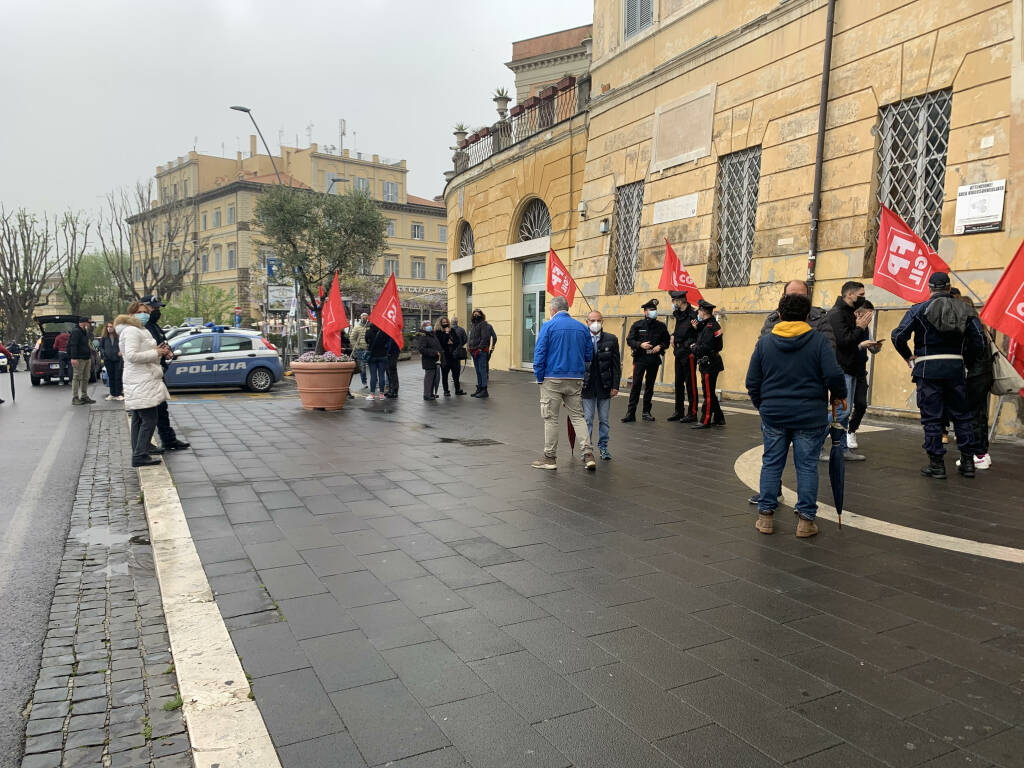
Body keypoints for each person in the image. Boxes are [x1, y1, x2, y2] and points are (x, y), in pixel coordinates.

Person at [747, 293, 847, 538]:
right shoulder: (818, 341)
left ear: (779, 315)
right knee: (807, 466)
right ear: (806, 316)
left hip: (774, 414)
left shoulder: (765, 342)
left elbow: (752, 381)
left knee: (771, 464)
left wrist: (763, 405)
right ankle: (805, 521)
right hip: (809, 415)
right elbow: (834, 375)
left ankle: (766, 518)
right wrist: (838, 394)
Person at [891, 272, 986, 479]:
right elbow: (980, 339)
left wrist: (909, 357)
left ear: (930, 287)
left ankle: (937, 464)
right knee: (962, 416)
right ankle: (968, 462)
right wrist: (965, 360)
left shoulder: (918, 309)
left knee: (932, 419)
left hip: (927, 369)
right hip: (955, 369)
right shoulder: (966, 310)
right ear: (949, 287)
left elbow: (898, 335)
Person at [531, 296, 595, 471]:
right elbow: (589, 356)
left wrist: (539, 377)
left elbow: (540, 354)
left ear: (553, 310)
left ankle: (549, 458)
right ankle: (588, 454)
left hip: (552, 378)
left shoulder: (548, 326)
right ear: (567, 308)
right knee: (578, 416)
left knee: (551, 419)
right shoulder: (582, 328)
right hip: (575, 379)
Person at [115, 303, 173, 468]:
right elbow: (132, 355)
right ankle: (140, 454)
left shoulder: (140, 329)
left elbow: (141, 350)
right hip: (140, 379)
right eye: (139, 312)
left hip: (142, 377)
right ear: (131, 313)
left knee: (139, 418)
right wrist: (156, 352)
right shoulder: (132, 330)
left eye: (146, 312)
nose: (144, 315)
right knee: (149, 418)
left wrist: (159, 350)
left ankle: (141, 449)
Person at [138, 296, 190, 452]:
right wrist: (158, 352)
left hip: (158, 371)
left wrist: (167, 351)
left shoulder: (153, 326)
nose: (156, 311)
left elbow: (162, 343)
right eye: (154, 308)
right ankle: (144, 445)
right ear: (144, 308)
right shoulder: (142, 327)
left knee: (161, 409)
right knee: (148, 413)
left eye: (158, 309)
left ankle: (168, 439)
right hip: (147, 374)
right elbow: (138, 352)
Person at [825, 281, 869, 460]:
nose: (863, 298)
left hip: (853, 368)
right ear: (849, 295)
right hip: (842, 369)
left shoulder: (852, 313)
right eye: (860, 295)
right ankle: (814, 439)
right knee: (841, 411)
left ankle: (842, 449)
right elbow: (844, 341)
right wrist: (860, 328)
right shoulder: (836, 314)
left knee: (844, 414)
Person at [956, 294, 994, 471]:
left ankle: (977, 454)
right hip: (984, 375)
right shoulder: (981, 326)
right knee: (980, 414)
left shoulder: (969, 327)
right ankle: (982, 453)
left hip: (975, 376)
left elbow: (971, 352)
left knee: (973, 415)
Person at [581, 310, 621, 460]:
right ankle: (587, 450)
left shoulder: (611, 339)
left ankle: (603, 447)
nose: (595, 323)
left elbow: (616, 365)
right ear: (587, 322)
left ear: (602, 321)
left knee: (604, 419)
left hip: (605, 386)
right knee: (588, 419)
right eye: (592, 320)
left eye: (598, 320)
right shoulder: (582, 339)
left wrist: (615, 385)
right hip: (587, 386)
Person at [622, 298, 670, 422]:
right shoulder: (637, 325)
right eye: (651, 310)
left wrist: (660, 346)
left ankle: (646, 412)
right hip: (640, 358)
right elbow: (629, 340)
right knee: (636, 385)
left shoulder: (661, 326)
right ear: (645, 312)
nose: (654, 311)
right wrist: (640, 345)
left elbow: (667, 341)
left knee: (650, 386)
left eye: (655, 309)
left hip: (653, 359)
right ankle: (630, 413)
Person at [846, 300, 884, 449]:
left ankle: (851, 430)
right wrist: (860, 345)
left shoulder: (866, 328)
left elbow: (870, 349)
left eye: (871, 316)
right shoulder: (847, 326)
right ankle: (833, 433)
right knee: (844, 408)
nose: (869, 319)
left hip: (860, 371)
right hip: (845, 371)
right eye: (867, 315)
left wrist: (876, 347)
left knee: (861, 404)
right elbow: (844, 347)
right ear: (858, 313)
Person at [760, 279, 837, 348]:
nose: (795, 301)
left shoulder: (819, 319)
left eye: (801, 297)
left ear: (808, 297)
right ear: (783, 296)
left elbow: (828, 350)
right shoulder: (772, 319)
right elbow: (760, 351)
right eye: (791, 296)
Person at [691, 299, 726, 429]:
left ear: (703, 312)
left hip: (709, 364)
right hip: (712, 362)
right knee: (709, 391)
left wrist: (693, 348)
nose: (697, 313)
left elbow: (704, 346)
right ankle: (719, 417)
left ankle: (705, 420)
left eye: (699, 311)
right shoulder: (711, 325)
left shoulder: (709, 328)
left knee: (708, 394)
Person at [668, 291, 699, 423]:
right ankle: (678, 411)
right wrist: (673, 335)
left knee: (690, 383)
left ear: (680, 301)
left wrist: (687, 345)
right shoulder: (679, 314)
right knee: (678, 382)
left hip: (688, 353)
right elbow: (679, 329)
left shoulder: (693, 314)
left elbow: (697, 333)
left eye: (674, 301)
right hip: (678, 351)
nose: (673, 303)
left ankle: (692, 412)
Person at [468, 309, 497, 398]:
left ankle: (484, 390)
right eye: (474, 314)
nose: (476, 315)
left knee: (482, 371)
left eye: (478, 314)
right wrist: (470, 347)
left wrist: (480, 349)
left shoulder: (483, 324)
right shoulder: (473, 325)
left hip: (481, 352)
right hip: (474, 351)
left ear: (481, 315)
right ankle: (479, 388)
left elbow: (485, 338)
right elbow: (472, 338)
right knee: (478, 371)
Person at [67, 317, 96, 406]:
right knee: (77, 377)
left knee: (86, 377)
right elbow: (73, 345)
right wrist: (73, 358)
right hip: (79, 358)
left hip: (86, 358)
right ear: (83, 323)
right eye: (88, 323)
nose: (89, 325)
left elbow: (87, 343)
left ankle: (84, 395)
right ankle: (75, 398)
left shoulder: (85, 332)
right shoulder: (76, 331)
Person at [435, 317, 467, 396]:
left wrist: (451, 342)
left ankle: (457, 389)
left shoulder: (452, 330)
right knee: (445, 375)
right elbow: (441, 343)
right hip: (445, 357)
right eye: (443, 322)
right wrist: (446, 334)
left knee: (456, 374)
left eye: (446, 322)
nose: (445, 324)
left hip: (454, 356)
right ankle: (446, 391)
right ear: (440, 323)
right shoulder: (438, 332)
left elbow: (457, 341)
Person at [363, 322, 391, 401]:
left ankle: (372, 394)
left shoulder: (368, 332)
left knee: (373, 376)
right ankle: (381, 395)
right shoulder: (384, 332)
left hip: (372, 357)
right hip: (382, 356)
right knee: (381, 375)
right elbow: (387, 342)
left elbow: (367, 341)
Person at [417, 320, 443, 401]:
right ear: (423, 327)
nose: (429, 326)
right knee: (429, 378)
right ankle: (427, 395)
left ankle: (431, 393)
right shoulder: (423, 336)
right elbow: (422, 349)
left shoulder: (432, 334)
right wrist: (434, 352)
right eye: (427, 325)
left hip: (435, 360)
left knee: (434, 377)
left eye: (430, 325)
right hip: (428, 360)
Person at [98, 322, 124, 401]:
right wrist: (104, 353)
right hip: (108, 360)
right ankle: (112, 394)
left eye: (111, 327)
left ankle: (119, 393)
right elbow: (100, 347)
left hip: (118, 359)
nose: (109, 328)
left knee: (118, 376)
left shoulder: (119, 337)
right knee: (111, 377)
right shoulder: (104, 337)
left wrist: (121, 352)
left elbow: (123, 345)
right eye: (108, 327)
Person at [350, 313, 370, 389]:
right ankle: (364, 382)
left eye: (365, 317)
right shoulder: (357, 327)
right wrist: (357, 347)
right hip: (361, 350)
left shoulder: (369, 327)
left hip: (369, 349)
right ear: (361, 318)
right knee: (362, 367)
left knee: (372, 366)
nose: (364, 319)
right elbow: (352, 338)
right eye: (363, 317)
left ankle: (375, 380)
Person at [385, 331, 401, 399]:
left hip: (391, 353)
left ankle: (393, 390)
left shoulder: (393, 332)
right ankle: (392, 389)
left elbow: (390, 344)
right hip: (393, 353)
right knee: (390, 372)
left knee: (391, 371)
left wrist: (387, 350)